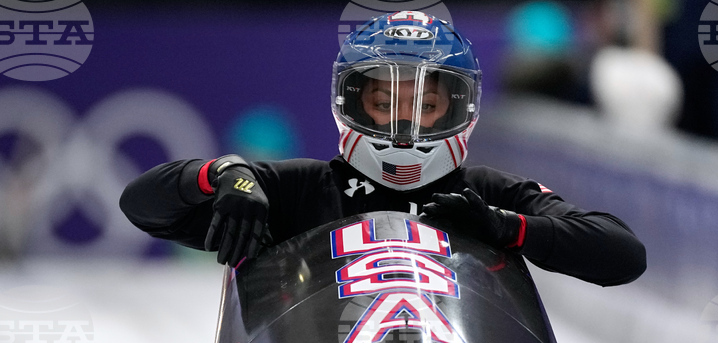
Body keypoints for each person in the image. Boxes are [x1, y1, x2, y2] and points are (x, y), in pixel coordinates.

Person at [119, 11, 646, 287]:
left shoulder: (487, 197)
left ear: (459, 109)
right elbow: (141, 205)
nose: (403, 122)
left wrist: (507, 228)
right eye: (383, 100)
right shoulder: (296, 189)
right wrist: (223, 174)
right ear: (352, 102)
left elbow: (624, 255)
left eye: (426, 103)